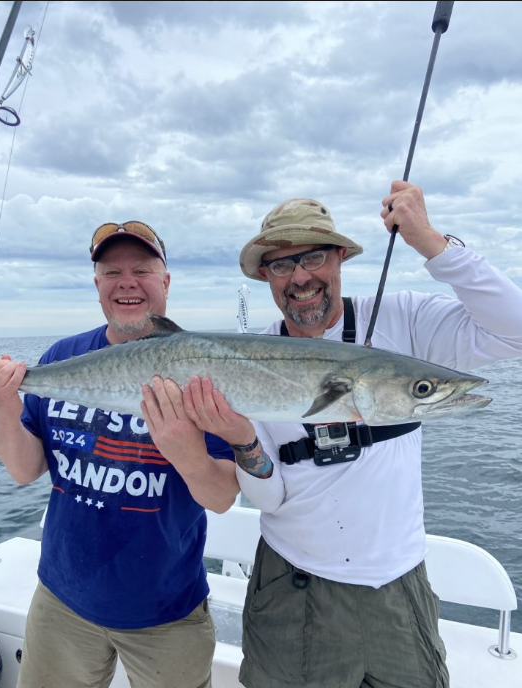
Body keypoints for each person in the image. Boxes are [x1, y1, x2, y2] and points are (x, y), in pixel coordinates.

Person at [182, 180, 522, 688]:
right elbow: (269, 499)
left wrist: (430, 241)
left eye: (314, 256)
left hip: (398, 589)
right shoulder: (245, 364)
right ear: (265, 277)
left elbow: (513, 329)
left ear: (340, 258)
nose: (301, 277)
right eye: (281, 264)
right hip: (291, 586)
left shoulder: (404, 319)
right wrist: (241, 439)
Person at [0, 221, 239, 688]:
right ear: (97, 285)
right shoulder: (63, 354)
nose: (127, 282)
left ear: (166, 281)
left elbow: (220, 498)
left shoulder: (208, 368)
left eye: (142, 269)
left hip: (166, 611)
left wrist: (185, 451)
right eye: (111, 271)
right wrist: (3, 408)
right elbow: (24, 469)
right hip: (61, 600)